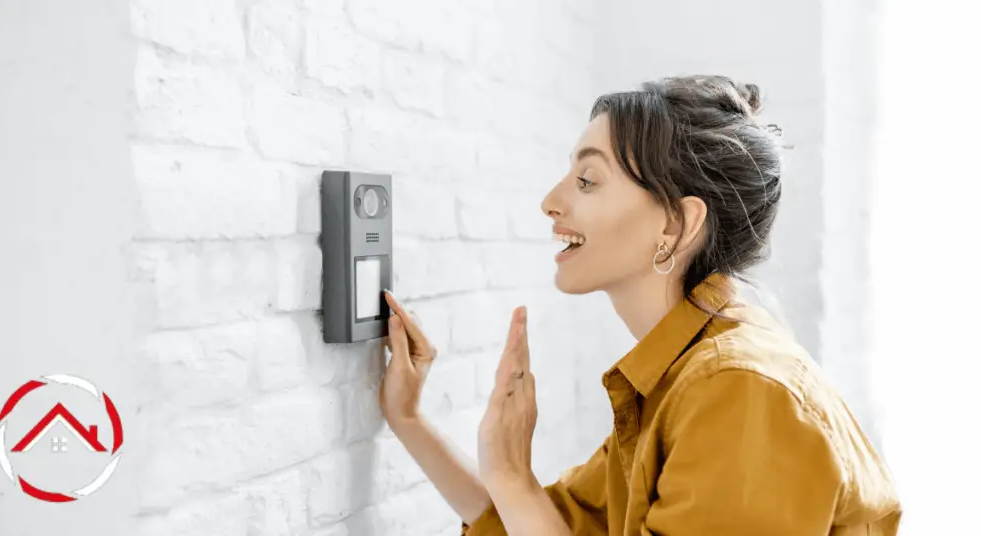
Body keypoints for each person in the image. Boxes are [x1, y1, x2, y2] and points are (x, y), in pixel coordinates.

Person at [378, 74, 902, 535]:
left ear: (675, 224)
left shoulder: (739, 389)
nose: (551, 202)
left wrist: (513, 477)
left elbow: (526, 507)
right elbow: (546, 522)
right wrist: (407, 417)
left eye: (587, 180)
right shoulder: (682, 375)